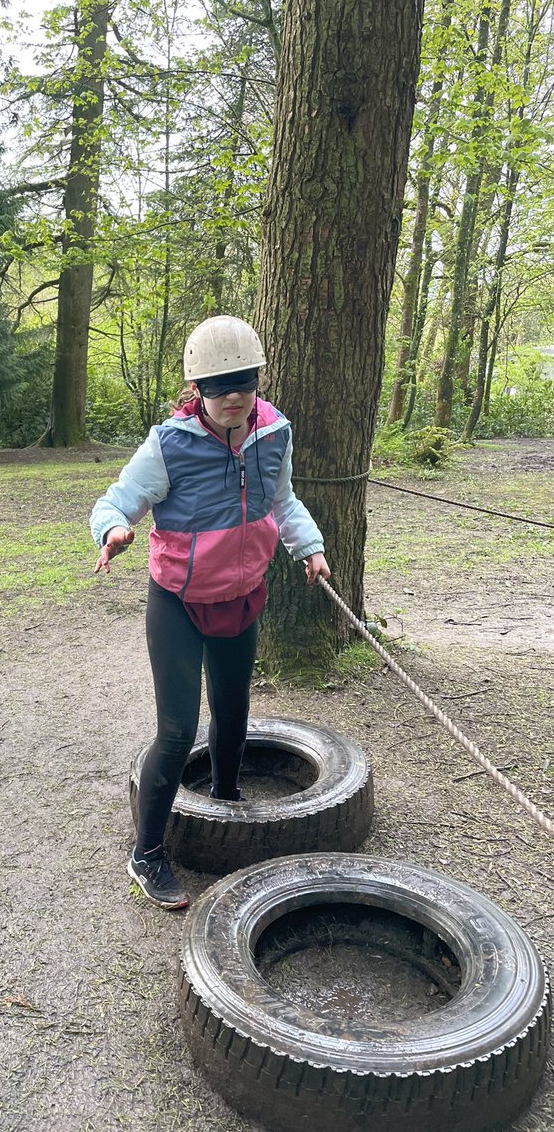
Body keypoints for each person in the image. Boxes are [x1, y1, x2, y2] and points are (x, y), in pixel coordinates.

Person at [90, 315, 331, 911]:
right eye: (218, 386)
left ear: (258, 381)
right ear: (196, 388)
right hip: (177, 602)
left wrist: (312, 546)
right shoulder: (169, 444)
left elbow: (283, 499)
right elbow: (118, 499)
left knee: (234, 711)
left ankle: (225, 800)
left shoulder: (274, 432)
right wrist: (114, 528)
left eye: (243, 384)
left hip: (242, 594)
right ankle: (146, 853)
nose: (232, 398)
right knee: (176, 731)